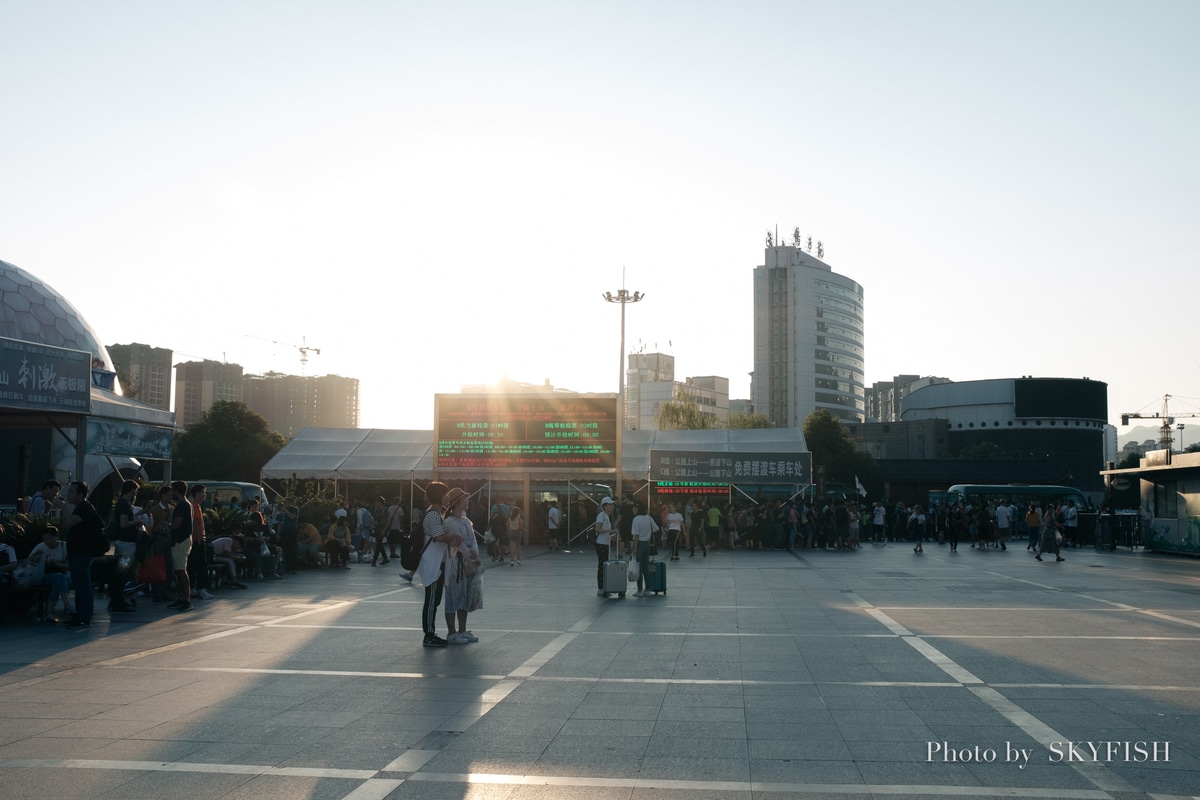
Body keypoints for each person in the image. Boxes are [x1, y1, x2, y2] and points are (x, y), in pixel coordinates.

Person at [416, 482, 460, 647]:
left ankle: (431, 632)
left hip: (437, 560)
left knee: (434, 600)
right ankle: (429, 634)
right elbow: (438, 537)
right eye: (446, 494)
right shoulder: (433, 515)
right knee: (431, 599)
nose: (447, 497)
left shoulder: (436, 513)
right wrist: (453, 535)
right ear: (439, 496)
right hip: (433, 561)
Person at [442, 487, 482, 643]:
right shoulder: (450, 522)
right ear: (457, 503)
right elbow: (457, 544)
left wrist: (475, 552)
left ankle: (463, 630)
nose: (467, 501)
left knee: (464, 597)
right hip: (455, 564)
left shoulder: (466, 521)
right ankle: (452, 633)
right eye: (464, 499)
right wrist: (469, 553)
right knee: (453, 597)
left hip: (467, 564)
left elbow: (473, 540)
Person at [63, 480, 105, 627]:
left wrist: (63, 507)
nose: (68, 495)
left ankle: (84, 616)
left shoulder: (83, 508)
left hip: (82, 554)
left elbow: (70, 522)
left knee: (82, 585)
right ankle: (82, 615)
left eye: (71, 492)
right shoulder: (82, 507)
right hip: (78, 553)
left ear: (80, 494)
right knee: (81, 585)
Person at [27, 527, 72, 622]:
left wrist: (56, 563)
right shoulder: (41, 547)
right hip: (45, 575)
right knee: (60, 578)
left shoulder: (65, 546)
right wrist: (35, 556)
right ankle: (68, 606)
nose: (48, 542)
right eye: (45, 539)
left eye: (50, 539)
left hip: (63, 575)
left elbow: (69, 566)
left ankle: (48, 613)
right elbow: (28, 562)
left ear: (57, 537)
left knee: (59, 581)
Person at [167, 480, 194, 611]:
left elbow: (177, 524)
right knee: (179, 570)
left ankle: (186, 600)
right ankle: (182, 598)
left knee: (181, 571)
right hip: (183, 540)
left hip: (180, 541)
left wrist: (167, 527)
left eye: (172, 490)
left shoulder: (182, 505)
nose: (171, 493)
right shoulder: (186, 504)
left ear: (177, 491)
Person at [187, 484, 214, 600]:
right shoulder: (195, 506)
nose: (204, 495)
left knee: (192, 566)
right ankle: (201, 589)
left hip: (193, 540)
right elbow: (195, 524)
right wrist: (199, 538)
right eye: (203, 493)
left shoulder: (193, 506)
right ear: (197, 493)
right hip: (197, 540)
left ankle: (192, 588)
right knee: (202, 565)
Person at [630, 503, 659, 597]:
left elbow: (636, 535)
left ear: (637, 509)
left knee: (639, 567)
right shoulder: (648, 518)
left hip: (639, 544)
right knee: (646, 567)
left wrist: (634, 548)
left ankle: (639, 590)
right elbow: (656, 529)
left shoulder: (636, 519)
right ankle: (648, 589)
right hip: (647, 544)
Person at [594, 496, 616, 596]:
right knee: (602, 565)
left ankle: (605, 587)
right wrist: (609, 531)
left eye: (612, 504)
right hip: (601, 544)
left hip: (606, 543)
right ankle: (600, 588)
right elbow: (597, 529)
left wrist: (611, 536)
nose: (612, 506)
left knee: (605, 565)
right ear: (605, 506)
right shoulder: (601, 515)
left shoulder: (608, 516)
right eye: (610, 505)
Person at [385, 497, 405, 561]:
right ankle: (393, 553)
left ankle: (391, 553)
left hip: (390, 527)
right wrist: (402, 527)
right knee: (395, 541)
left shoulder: (389, 508)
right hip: (396, 526)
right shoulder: (399, 509)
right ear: (398, 502)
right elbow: (401, 518)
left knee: (390, 540)